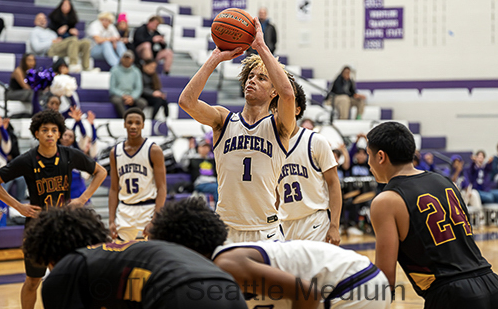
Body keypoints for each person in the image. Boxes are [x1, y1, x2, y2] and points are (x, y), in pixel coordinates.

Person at [150, 197, 391, 309]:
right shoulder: (222, 262)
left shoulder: (226, 262)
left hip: (354, 286)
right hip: (355, 281)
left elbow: (306, 293)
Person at [179, 17, 296, 243]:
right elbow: (186, 102)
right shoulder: (223, 120)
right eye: (250, 76)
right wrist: (215, 58)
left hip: (266, 230)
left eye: (262, 78)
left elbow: (288, 94)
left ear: (273, 92)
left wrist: (261, 46)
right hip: (226, 228)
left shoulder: (279, 126)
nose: (252, 80)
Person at [368, 121, 498, 309]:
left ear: (380, 156)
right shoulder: (445, 182)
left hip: (453, 295)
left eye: (369, 155)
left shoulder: (385, 201)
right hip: (491, 282)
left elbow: (385, 278)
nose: (368, 163)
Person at [22, 206, 248, 309]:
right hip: (227, 289)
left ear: (49, 256)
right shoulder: (118, 258)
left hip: (179, 294)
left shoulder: (66, 271)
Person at [0, 109, 107, 309]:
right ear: (36, 133)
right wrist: (17, 205)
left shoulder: (69, 155)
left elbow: (101, 171)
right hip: (37, 227)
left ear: (59, 133)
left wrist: (82, 199)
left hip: (63, 226)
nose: (49, 133)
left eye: (54, 130)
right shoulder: (27, 160)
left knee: (67, 276)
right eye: (44, 130)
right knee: (32, 281)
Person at [276, 80, 341, 243]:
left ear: (297, 110)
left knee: (316, 269)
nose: (279, 111)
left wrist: (334, 225)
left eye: (285, 105)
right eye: (276, 107)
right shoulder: (271, 147)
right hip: (285, 224)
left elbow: (333, 184)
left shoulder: (316, 141)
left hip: (315, 222)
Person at [108, 108, 167, 241]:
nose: (133, 126)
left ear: (143, 125)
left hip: (148, 209)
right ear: (124, 124)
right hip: (125, 210)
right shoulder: (115, 152)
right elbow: (113, 189)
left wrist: (156, 219)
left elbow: (162, 188)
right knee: (119, 255)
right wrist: (111, 220)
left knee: (150, 256)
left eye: (137, 123)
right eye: (130, 122)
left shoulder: (153, 150)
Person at [47, 0, 91, 72]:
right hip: (56, 46)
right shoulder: (54, 18)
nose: (65, 7)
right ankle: (73, 64)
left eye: (67, 5)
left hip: (69, 46)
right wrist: (57, 34)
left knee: (86, 42)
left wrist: (74, 33)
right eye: (64, 5)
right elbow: (48, 34)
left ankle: (86, 67)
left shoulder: (72, 20)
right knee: (73, 40)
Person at [181, 137, 218, 209]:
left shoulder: (212, 160)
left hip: (213, 182)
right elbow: (183, 164)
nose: (204, 149)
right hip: (200, 184)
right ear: (198, 148)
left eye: (206, 146)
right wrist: (190, 149)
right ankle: (218, 211)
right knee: (216, 188)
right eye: (202, 146)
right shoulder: (193, 159)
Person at [109, 50, 146, 118]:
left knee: (142, 103)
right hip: (119, 95)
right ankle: (126, 118)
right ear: (121, 59)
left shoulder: (136, 71)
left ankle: (134, 117)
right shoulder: (114, 70)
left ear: (132, 60)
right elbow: (112, 88)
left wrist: (132, 97)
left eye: (128, 58)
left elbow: (138, 88)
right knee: (117, 101)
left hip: (131, 94)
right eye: (125, 58)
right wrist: (123, 95)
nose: (127, 60)